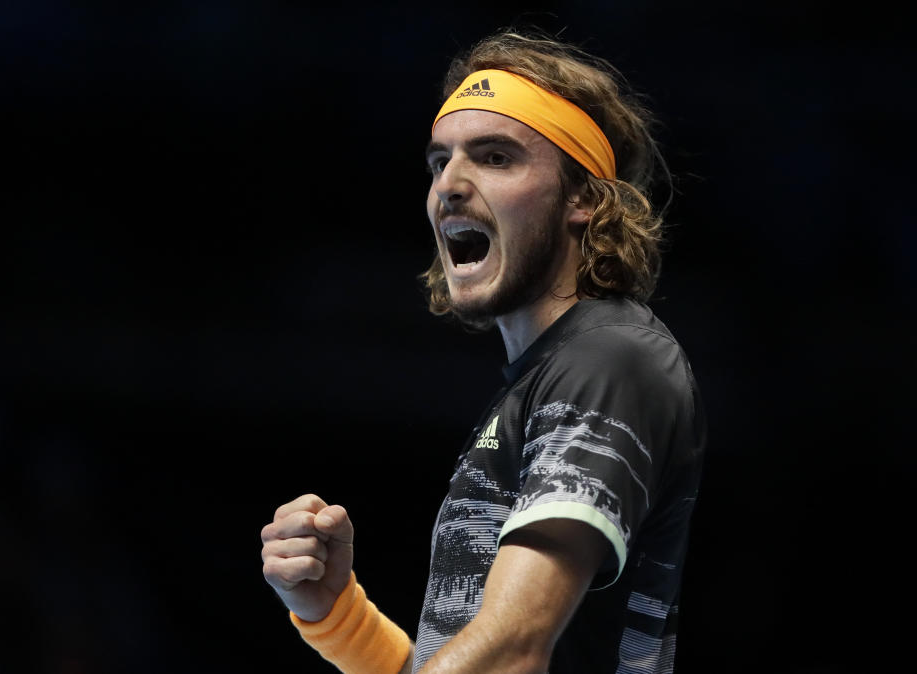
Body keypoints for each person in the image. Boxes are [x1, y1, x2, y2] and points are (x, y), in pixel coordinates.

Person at [260, 30, 706, 674]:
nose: (451, 186)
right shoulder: (544, 378)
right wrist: (338, 617)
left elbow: (511, 650)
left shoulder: (608, 359)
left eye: (496, 157)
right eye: (440, 162)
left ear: (583, 197)